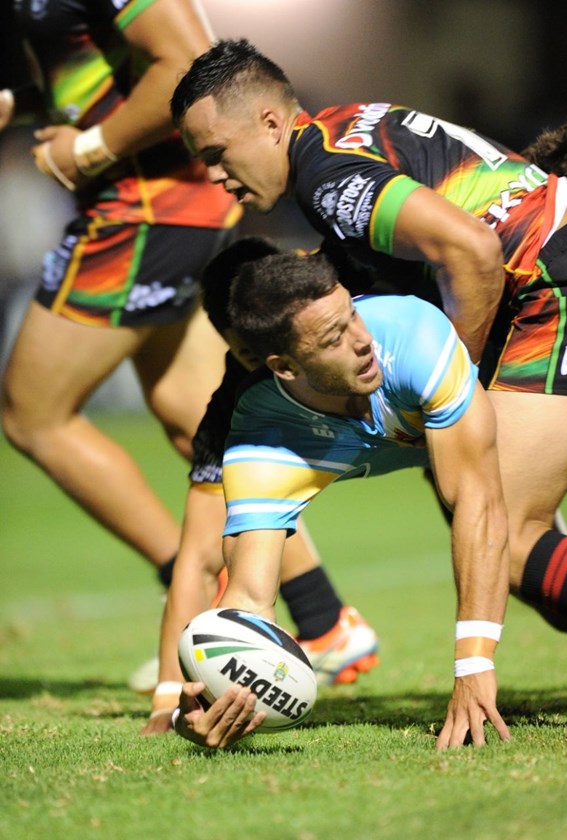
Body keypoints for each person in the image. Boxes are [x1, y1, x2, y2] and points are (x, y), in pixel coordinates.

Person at [169, 39, 567, 634]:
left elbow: (471, 251)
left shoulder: (327, 179)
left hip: (560, 278)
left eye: (217, 152)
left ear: (270, 123)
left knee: (510, 540)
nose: (213, 175)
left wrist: (455, 385)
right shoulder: (343, 129)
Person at [171, 251, 513, 750]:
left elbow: (480, 505)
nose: (361, 340)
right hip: (439, 445)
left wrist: (474, 664)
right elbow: (248, 596)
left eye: (351, 312)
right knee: (547, 592)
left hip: (516, 391)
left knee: (519, 542)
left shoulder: (409, 334)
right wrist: (210, 700)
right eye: (334, 338)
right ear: (285, 366)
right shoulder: (265, 433)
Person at [0, 1, 240, 588]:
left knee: (34, 415)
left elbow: (186, 61)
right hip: (168, 204)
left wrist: (91, 149)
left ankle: (200, 589)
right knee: (195, 419)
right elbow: (100, 74)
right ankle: (325, 620)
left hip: (150, 206)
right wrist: (22, 102)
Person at [140, 237, 380, 735]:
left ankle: (327, 624)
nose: (268, 358)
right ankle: (328, 627)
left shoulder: (373, 321)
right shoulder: (236, 404)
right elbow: (199, 559)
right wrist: (168, 701)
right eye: (249, 351)